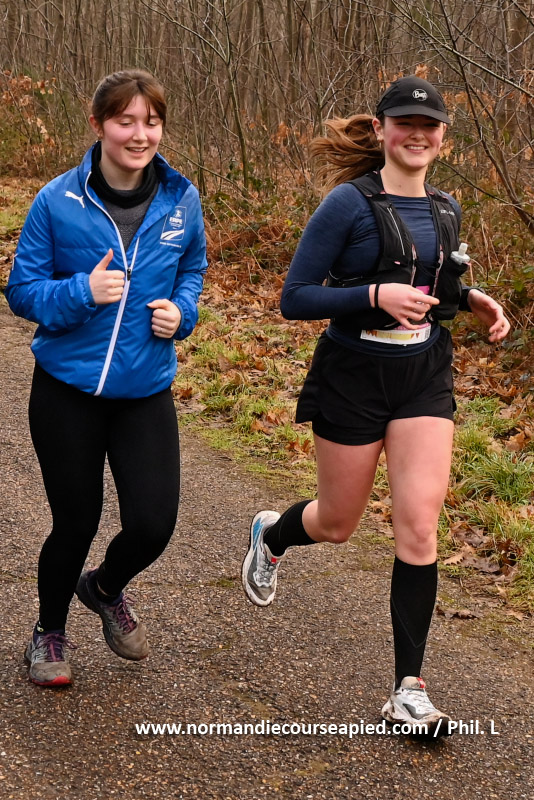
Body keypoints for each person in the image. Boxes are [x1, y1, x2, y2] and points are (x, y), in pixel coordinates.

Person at [241, 76, 509, 736]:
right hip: (353, 376)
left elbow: (437, 284)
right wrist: (372, 296)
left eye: (430, 124)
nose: (417, 134)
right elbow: (296, 297)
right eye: (405, 123)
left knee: (419, 526)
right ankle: (272, 535)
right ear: (383, 129)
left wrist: (471, 300)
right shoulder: (348, 204)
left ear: (443, 137)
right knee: (337, 523)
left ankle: (407, 692)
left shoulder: (446, 207)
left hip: (424, 376)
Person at [6, 69, 207, 687]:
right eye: (126, 121)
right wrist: (82, 292)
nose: (140, 134)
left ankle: (104, 586)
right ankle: (48, 633)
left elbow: (192, 268)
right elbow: (21, 291)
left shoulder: (181, 199)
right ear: (98, 125)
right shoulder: (56, 201)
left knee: (154, 523)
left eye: (152, 121)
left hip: (145, 389)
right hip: (67, 390)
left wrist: (184, 312)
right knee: (77, 521)